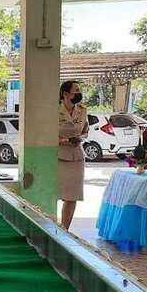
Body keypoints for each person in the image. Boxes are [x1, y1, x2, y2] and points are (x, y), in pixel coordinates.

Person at [58, 80, 88, 230]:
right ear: (65, 94)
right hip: (57, 156)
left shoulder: (82, 110)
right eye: (76, 90)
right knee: (54, 194)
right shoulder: (54, 110)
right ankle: (49, 229)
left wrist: (79, 138)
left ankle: (65, 230)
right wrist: (65, 140)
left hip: (76, 156)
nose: (79, 93)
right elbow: (45, 134)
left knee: (72, 196)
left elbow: (85, 131)